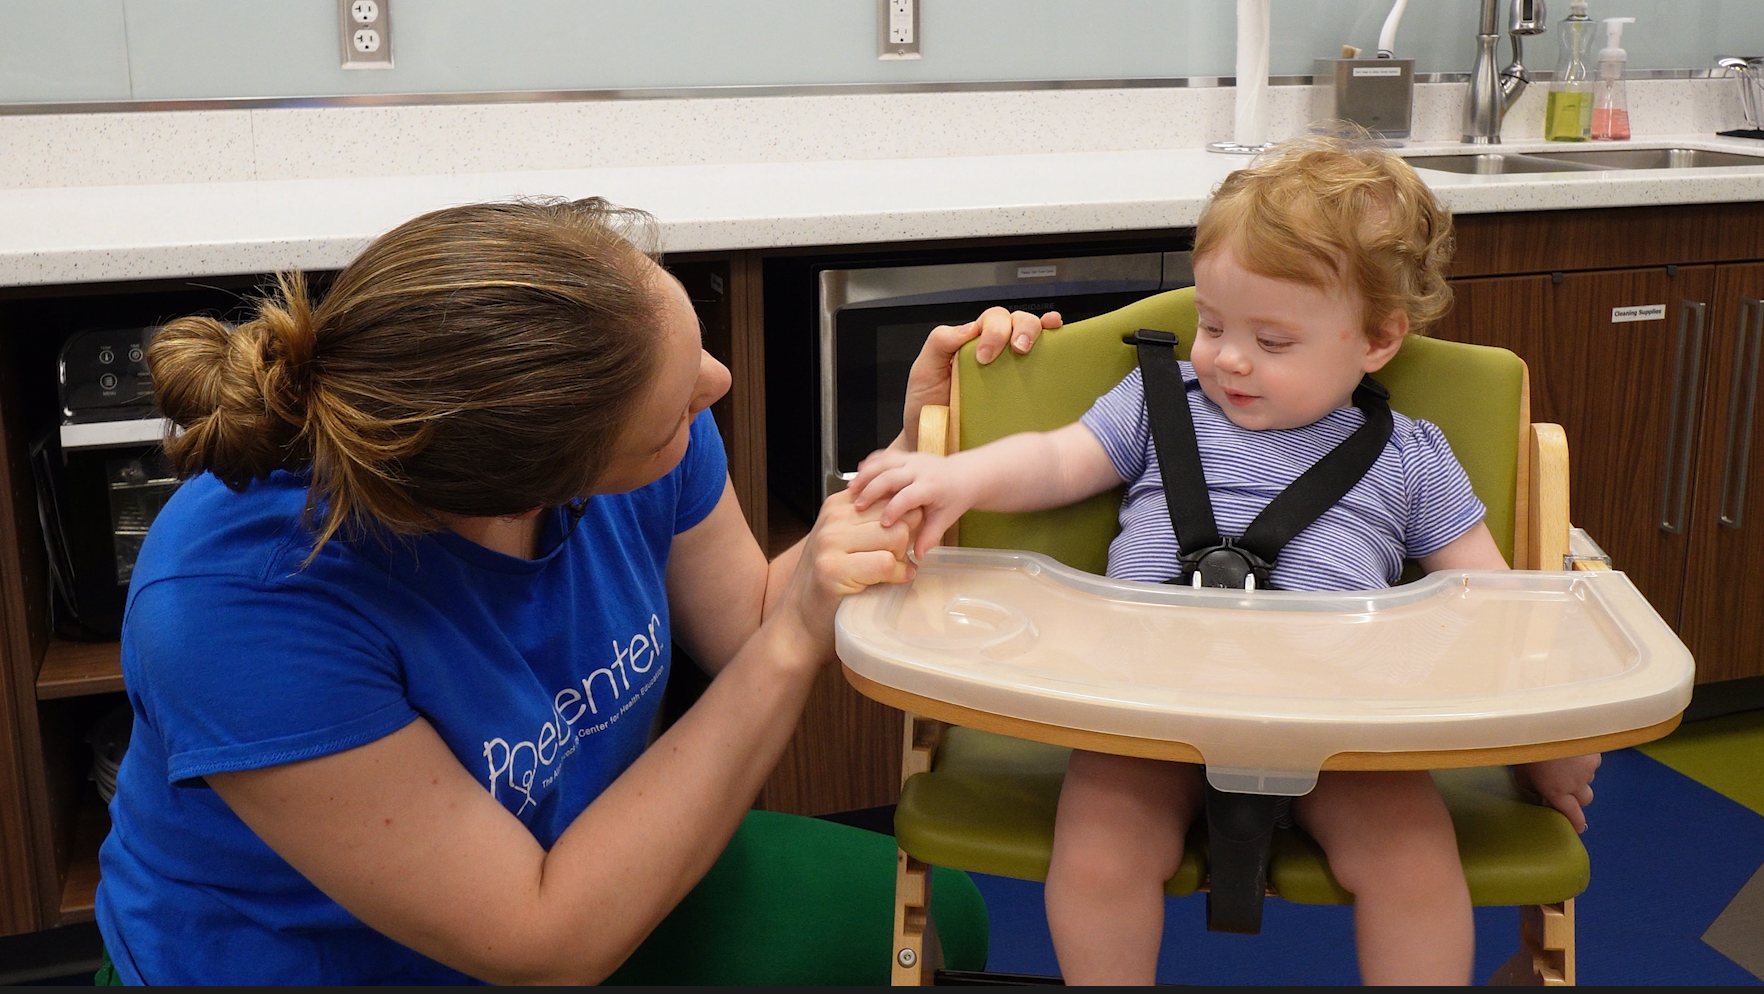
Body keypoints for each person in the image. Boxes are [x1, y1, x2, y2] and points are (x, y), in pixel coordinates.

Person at [93, 197, 1057, 985]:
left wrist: (910, 464)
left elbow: (750, 619)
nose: (717, 384)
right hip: (341, 960)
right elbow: (541, 941)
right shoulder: (237, 603)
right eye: (677, 408)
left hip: (576, 857)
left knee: (940, 925)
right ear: (542, 482)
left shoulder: (629, 403)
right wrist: (795, 638)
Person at [848, 138, 1601, 986]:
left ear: (1379, 340)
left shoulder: (1410, 457)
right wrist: (957, 474)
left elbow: (1494, 605)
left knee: (1418, 868)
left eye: (1272, 341)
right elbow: (1058, 460)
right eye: (1212, 324)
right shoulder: (1160, 401)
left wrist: (1545, 742)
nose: (1229, 358)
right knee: (1096, 855)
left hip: (1342, 734)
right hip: (1144, 718)